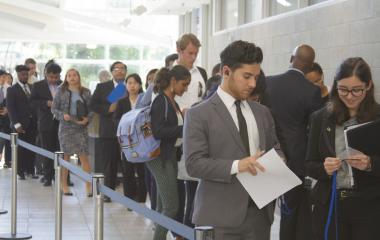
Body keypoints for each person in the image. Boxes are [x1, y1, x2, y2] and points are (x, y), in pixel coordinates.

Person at [184, 40, 282, 240]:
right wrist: (238, 165)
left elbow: (275, 149)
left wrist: (279, 161)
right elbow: (194, 164)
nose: (253, 84)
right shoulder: (199, 114)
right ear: (226, 71)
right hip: (219, 218)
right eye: (247, 77)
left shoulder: (262, 113)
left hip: (260, 216)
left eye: (255, 77)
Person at [306, 57, 380, 240]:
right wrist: (324, 168)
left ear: (368, 85)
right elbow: (309, 164)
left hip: (370, 206)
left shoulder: (377, 117)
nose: (349, 96)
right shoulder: (320, 118)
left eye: (357, 90)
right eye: (343, 89)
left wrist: (370, 164)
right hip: (331, 203)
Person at [265, 44, 323, 240]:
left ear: (292, 59)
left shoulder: (268, 83)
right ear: (311, 65)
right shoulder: (311, 91)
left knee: (264, 211)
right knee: (290, 212)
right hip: (297, 159)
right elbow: (315, 127)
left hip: (268, 155)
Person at [147, 65, 191, 240]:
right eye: (184, 84)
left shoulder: (172, 101)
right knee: (171, 207)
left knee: (162, 206)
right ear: (173, 81)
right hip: (160, 157)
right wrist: (183, 129)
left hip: (170, 155)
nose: (186, 88)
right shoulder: (161, 101)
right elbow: (158, 131)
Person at [175, 33, 207, 229]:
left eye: (196, 53)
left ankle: (191, 228)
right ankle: (177, 230)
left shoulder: (200, 72)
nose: (193, 57)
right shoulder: (168, 74)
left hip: (197, 136)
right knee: (176, 194)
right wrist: (183, 113)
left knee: (196, 188)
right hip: (176, 139)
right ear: (179, 50)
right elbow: (160, 106)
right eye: (189, 53)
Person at [90, 61, 127, 202]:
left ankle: (130, 196)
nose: (119, 71)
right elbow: (93, 104)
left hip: (126, 132)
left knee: (127, 164)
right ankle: (108, 193)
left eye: (122, 69)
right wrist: (107, 109)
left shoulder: (131, 85)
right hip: (108, 131)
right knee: (109, 164)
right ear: (112, 72)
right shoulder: (102, 87)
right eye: (116, 69)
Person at [52, 69, 92, 196]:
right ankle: (64, 185)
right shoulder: (61, 90)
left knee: (84, 157)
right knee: (66, 157)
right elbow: (54, 108)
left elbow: (91, 110)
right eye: (69, 75)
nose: (72, 77)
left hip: (81, 127)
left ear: (79, 77)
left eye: (75, 75)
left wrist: (87, 119)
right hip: (66, 127)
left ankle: (88, 186)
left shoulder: (86, 91)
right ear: (66, 78)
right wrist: (63, 115)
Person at [113, 73, 147, 202]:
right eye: (129, 83)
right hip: (126, 140)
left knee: (142, 170)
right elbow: (115, 119)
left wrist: (146, 135)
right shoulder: (122, 102)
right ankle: (129, 198)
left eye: (135, 83)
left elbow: (147, 119)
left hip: (142, 141)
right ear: (126, 86)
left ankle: (142, 197)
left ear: (139, 85)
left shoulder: (144, 101)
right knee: (128, 170)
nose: (132, 86)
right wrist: (123, 127)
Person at [30, 62, 62, 187]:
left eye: (56, 77)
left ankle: (63, 177)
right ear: (46, 74)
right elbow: (32, 102)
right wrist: (45, 103)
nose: (54, 80)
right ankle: (48, 177)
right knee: (47, 150)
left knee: (62, 151)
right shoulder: (38, 86)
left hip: (62, 123)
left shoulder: (64, 85)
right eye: (51, 77)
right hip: (45, 122)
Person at [6, 65, 37, 179]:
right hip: (20, 125)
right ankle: (20, 171)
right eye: (22, 74)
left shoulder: (32, 87)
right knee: (20, 150)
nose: (24, 76)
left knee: (32, 148)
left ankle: (31, 170)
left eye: (26, 74)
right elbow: (10, 108)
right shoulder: (12, 89)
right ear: (18, 75)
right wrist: (16, 124)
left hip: (32, 124)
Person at [0, 70, 12, 168]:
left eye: (4, 77)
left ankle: (8, 161)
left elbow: (13, 104)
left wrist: (8, 110)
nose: (3, 79)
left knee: (7, 140)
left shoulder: (9, 89)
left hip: (6, 119)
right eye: (1, 77)